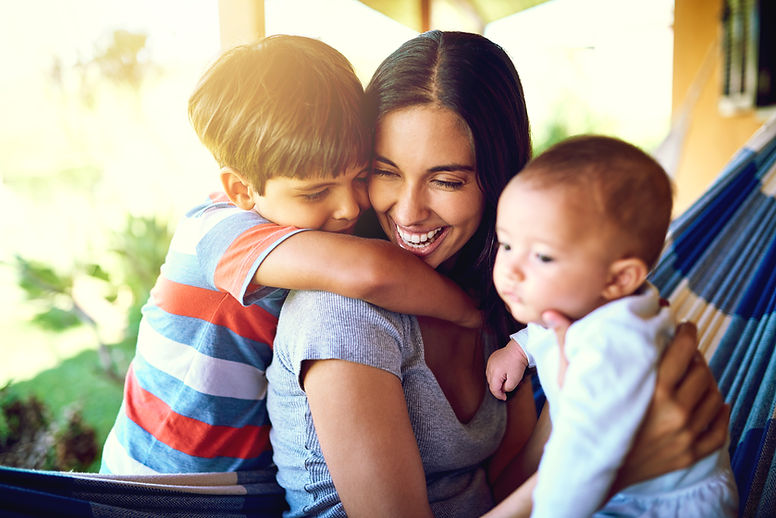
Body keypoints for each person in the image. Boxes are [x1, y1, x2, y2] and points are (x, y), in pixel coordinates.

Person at [266, 30, 730, 517]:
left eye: (447, 180)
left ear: (500, 181)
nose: (407, 211)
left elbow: (511, 483)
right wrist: (622, 464)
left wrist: (596, 392)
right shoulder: (340, 314)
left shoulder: (501, 291)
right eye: (385, 172)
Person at [99, 34, 483, 475]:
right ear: (241, 189)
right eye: (317, 192)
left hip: (244, 481)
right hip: (159, 477)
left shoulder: (308, 219)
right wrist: (468, 314)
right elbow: (372, 270)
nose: (348, 208)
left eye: (360, 176)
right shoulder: (216, 232)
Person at [484, 135, 738, 517]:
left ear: (619, 280)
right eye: (506, 244)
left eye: (542, 255)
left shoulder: (613, 346)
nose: (511, 269)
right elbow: (550, 321)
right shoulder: (587, 301)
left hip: (663, 505)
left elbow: (578, 468)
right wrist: (520, 348)